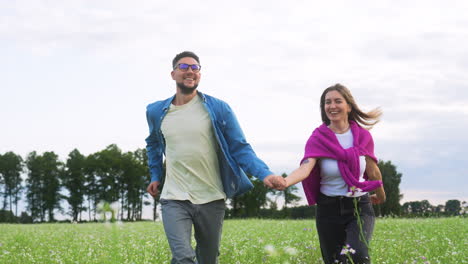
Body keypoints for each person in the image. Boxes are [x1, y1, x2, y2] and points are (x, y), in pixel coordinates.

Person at [145, 51, 282, 264]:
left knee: (208, 259)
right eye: (183, 67)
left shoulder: (218, 109)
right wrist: (155, 174)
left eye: (195, 67)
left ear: (200, 74)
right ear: (173, 74)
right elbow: (153, 144)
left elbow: (240, 148)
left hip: (211, 197)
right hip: (174, 197)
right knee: (182, 258)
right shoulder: (156, 111)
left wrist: (264, 173)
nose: (190, 71)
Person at [274, 84, 386, 264]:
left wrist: (380, 195)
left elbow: (372, 170)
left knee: (356, 255)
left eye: (337, 101)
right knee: (334, 260)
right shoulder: (318, 138)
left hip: (359, 206)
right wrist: (286, 182)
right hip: (328, 208)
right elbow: (305, 168)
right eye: (327, 102)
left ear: (349, 106)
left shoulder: (363, 137)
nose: (332, 106)